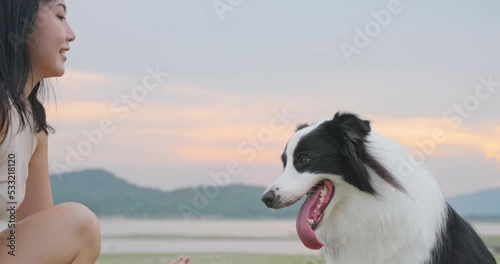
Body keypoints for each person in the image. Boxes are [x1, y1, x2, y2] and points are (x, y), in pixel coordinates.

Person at [0, 1, 190, 263]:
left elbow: (47, 248)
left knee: (76, 230)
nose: (71, 34)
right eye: (59, 15)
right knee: (79, 223)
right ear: (19, 18)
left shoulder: (32, 125)